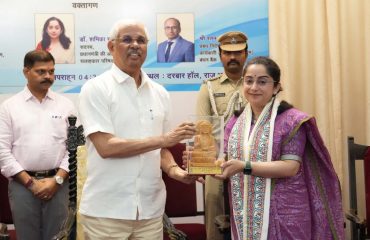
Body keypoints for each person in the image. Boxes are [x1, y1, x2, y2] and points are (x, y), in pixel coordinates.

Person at [78, 19, 197, 239]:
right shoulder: (95, 88)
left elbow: (161, 149)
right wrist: (164, 140)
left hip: (150, 211)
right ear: (111, 47)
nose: (135, 45)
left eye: (141, 40)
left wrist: (175, 171)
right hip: (107, 212)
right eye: (127, 39)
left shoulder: (160, 93)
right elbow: (106, 147)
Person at [214, 56, 345, 239]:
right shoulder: (234, 122)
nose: (254, 87)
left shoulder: (292, 121)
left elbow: (290, 167)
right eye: (249, 81)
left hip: (286, 214)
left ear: (276, 87)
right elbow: (228, 160)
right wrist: (213, 166)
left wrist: (244, 166)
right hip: (245, 213)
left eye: (262, 82)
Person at [0, 50, 75, 240]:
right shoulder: (8, 107)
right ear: (26, 72)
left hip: (59, 185)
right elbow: (2, 152)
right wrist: (30, 183)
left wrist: (57, 181)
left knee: (59, 236)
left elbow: (76, 146)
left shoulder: (67, 105)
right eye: (41, 72)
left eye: (51, 71)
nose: (48, 76)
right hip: (22, 186)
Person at [196, 31, 248, 240]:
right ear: (220, 54)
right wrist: (203, 163)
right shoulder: (208, 88)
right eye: (227, 53)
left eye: (237, 52)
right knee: (215, 223)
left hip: (250, 162)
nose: (232, 57)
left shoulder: (257, 84)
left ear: (246, 54)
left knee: (253, 217)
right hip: (217, 163)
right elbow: (202, 128)